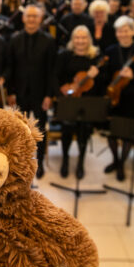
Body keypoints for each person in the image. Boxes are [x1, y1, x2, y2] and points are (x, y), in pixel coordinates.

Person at [6, 5, 56, 178]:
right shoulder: (14, 39)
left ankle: (39, 162)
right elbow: (10, 67)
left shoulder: (49, 40)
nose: (32, 19)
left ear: (40, 19)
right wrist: (11, 92)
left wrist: (49, 94)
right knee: (20, 129)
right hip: (20, 92)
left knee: (40, 129)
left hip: (41, 93)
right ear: (23, 18)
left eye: (35, 16)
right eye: (29, 16)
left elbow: (52, 70)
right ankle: (22, 162)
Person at [104, 16, 134, 181]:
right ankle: (115, 159)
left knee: (128, 134)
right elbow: (105, 75)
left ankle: (121, 163)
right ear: (116, 33)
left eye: (126, 30)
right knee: (111, 132)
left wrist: (133, 77)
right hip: (114, 98)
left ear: (132, 31)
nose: (123, 34)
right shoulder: (110, 50)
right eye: (119, 31)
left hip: (132, 98)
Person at [55, 25, 102, 179]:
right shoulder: (64, 56)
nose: (80, 41)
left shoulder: (95, 58)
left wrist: (96, 75)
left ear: (89, 39)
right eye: (77, 37)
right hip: (68, 99)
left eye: (83, 37)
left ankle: (81, 161)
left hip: (87, 101)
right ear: (72, 40)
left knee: (84, 131)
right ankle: (66, 159)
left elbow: (103, 82)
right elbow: (56, 76)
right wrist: (62, 88)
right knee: (66, 130)